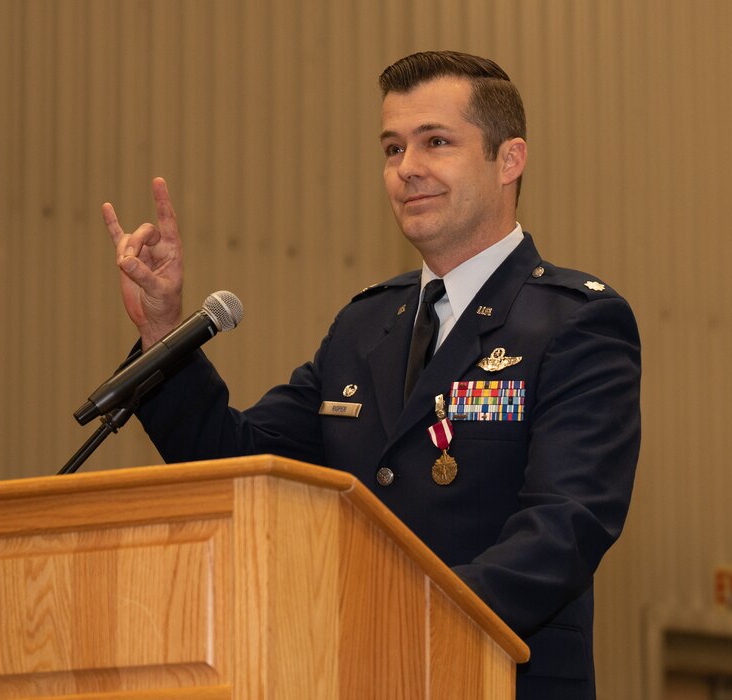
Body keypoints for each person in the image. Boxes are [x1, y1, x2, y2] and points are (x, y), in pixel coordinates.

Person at [101, 50, 640, 700]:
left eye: (435, 142)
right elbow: (240, 465)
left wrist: (401, 615)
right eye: (392, 148)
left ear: (509, 159)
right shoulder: (366, 327)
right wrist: (164, 330)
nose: (406, 169)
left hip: (493, 680)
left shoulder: (573, 323)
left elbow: (565, 527)